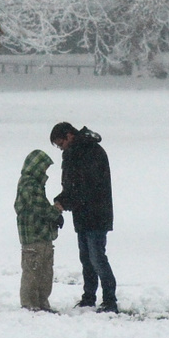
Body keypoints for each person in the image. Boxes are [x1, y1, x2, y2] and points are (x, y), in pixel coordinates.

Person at [50, 122, 118, 313]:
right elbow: (72, 186)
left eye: (60, 142)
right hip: (83, 215)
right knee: (86, 259)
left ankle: (110, 300)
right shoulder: (73, 153)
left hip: (96, 214)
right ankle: (89, 297)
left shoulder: (91, 151)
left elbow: (86, 187)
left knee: (97, 258)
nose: (60, 147)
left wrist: (64, 203)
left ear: (69, 135)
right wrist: (63, 200)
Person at [14, 149, 64, 312]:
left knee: (45, 272)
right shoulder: (29, 184)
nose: (45, 172)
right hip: (34, 236)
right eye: (43, 168)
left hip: (42, 235)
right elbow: (39, 207)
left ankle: (42, 302)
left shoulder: (35, 184)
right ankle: (30, 304)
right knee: (33, 271)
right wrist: (55, 211)